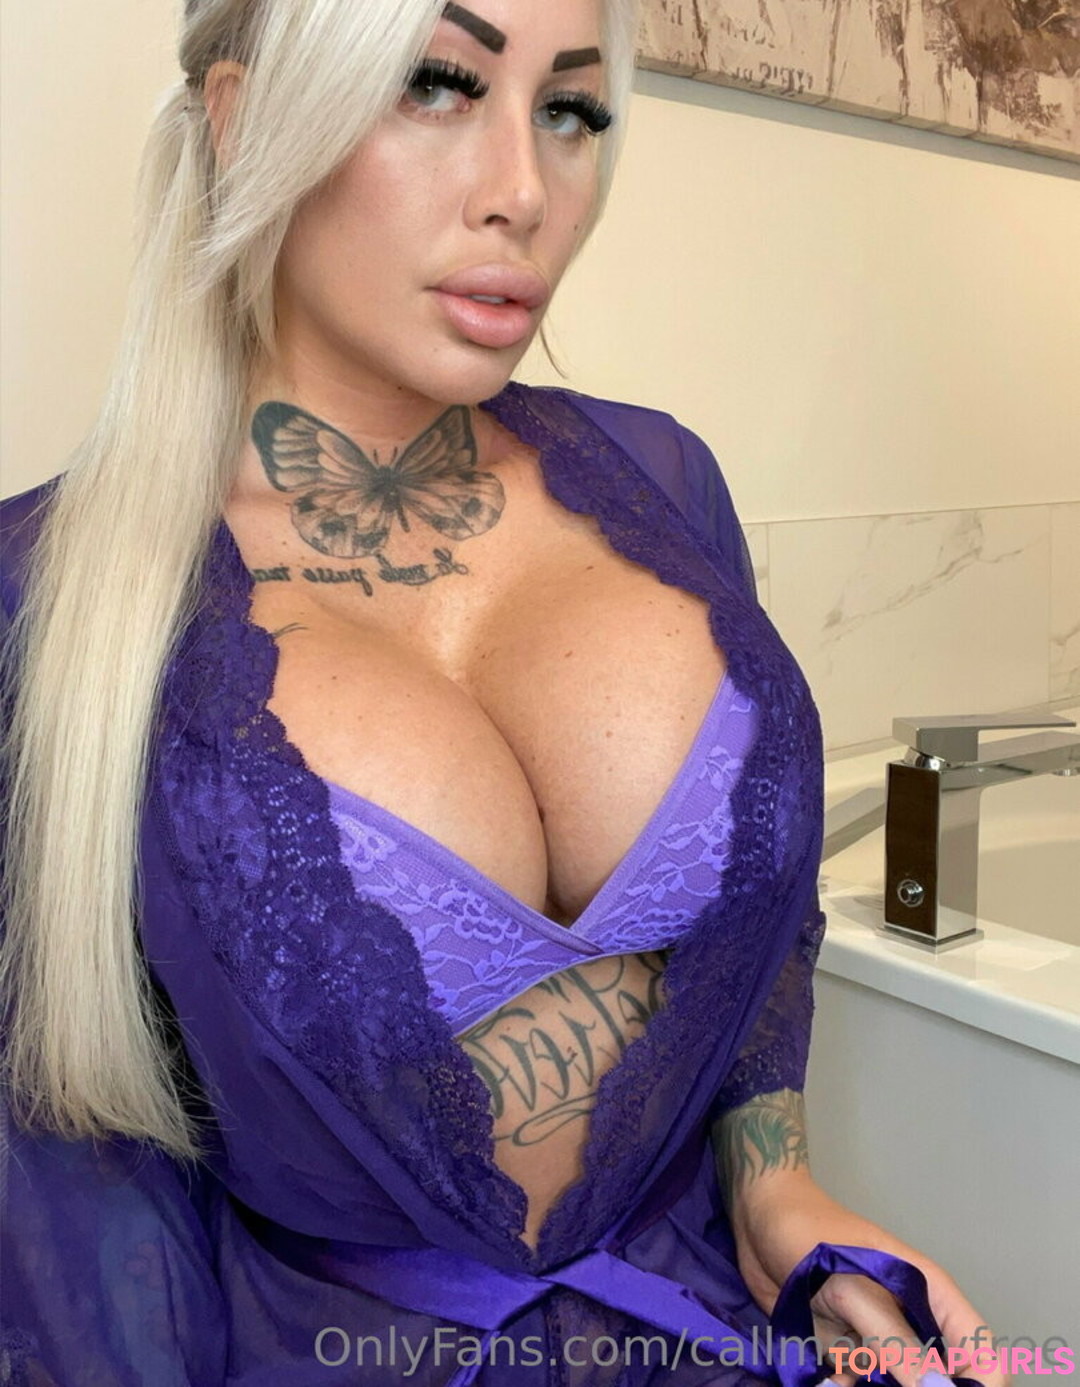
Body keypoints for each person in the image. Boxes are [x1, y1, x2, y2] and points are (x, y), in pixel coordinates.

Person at [0, 1, 1006, 1383]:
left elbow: (751, 934)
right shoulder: (62, 603)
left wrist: (777, 1191)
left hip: (709, 1331)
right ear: (241, 121)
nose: (524, 191)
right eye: (437, 84)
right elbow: (69, 1194)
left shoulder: (660, 486)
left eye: (570, 110)